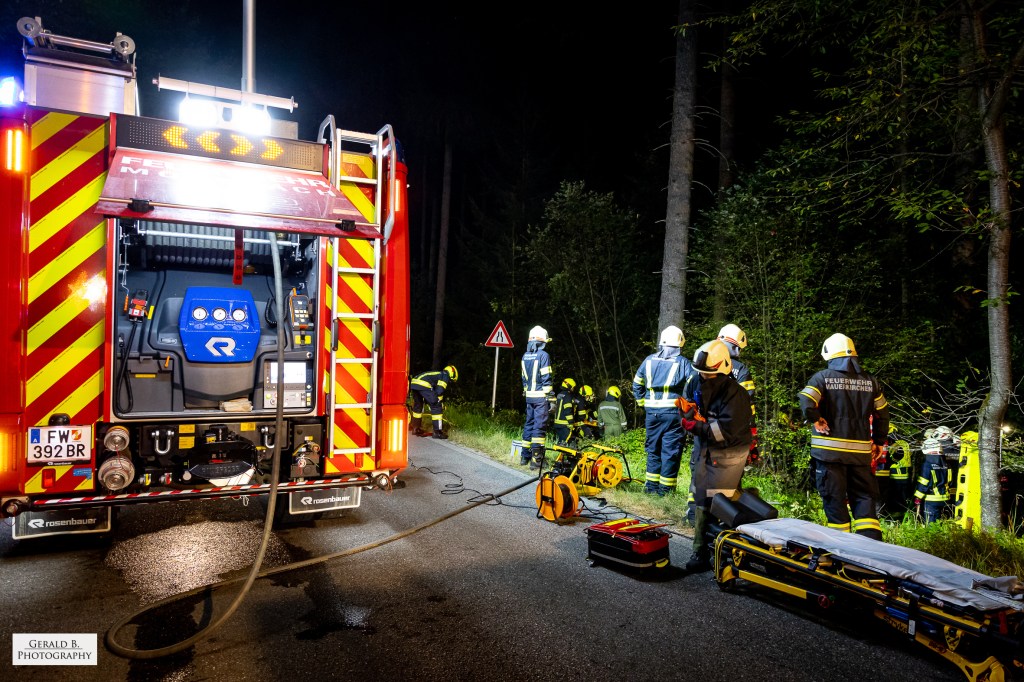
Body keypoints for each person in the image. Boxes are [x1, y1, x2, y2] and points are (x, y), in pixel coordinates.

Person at [799, 333, 889, 540]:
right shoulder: (871, 382)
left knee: (834, 499)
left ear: (829, 354)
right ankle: (872, 547)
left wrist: (816, 419)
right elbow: (883, 414)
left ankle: (841, 548)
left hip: (829, 455)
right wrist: (878, 442)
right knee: (864, 499)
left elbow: (806, 399)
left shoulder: (822, 378)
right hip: (860, 456)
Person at [681, 339, 753, 572]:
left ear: (722, 368)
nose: (704, 377)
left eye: (708, 373)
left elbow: (725, 432)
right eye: (701, 372)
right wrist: (687, 413)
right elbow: (688, 403)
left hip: (728, 453)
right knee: (703, 499)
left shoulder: (736, 394)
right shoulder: (696, 381)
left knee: (722, 502)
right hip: (705, 448)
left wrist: (696, 426)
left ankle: (730, 551)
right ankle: (702, 551)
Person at [688, 323, 758, 523]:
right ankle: (705, 517)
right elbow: (747, 408)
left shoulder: (702, 364)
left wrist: (697, 425)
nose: (738, 353)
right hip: (720, 439)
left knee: (708, 478)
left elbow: (736, 415)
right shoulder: (736, 370)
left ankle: (702, 516)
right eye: (736, 347)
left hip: (716, 438)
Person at [632, 325, 693, 496]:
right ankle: (665, 491)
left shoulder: (648, 360)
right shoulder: (683, 362)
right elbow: (694, 385)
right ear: (679, 343)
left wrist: (644, 403)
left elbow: (637, 384)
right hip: (673, 414)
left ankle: (651, 488)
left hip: (652, 414)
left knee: (653, 450)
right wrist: (688, 406)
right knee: (670, 451)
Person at [521, 326, 554, 467]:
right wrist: (551, 397)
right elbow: (546, 377)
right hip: (541, 397)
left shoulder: (525, 356)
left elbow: (524, 378)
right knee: (539, 426)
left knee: (529, 424)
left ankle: (524, 456)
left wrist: (527, 392)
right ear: (542, 341)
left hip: (529, 396)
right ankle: (537, 460)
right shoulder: (543, 355)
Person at [409, 365, 458, 439]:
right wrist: (438, 403)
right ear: (452, 374)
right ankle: (437, 432)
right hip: (423, 384)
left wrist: (436, 400)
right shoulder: (445, 375)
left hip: (414, 383)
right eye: (451, 380)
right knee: (436, 406)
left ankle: (415, 429)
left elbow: (435, 392)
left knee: (418, 406)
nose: (449, 382)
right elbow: (439, 391)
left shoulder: (438, 375)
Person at [914, 437, 950, 523]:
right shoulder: (945, 463)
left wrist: (918, 498)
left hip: (931, 499)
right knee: (941, 523)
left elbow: (923, 483)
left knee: (931, 525)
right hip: (945, 499)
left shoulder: (927, 464)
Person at [552, 378, 578, 448]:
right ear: (569, 386)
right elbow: (568, 410)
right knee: (567, 445)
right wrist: (571, 422)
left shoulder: (559, 394)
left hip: (557, 423)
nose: (573, 389)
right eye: (573, 387)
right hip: (564, 424)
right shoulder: (568, 396)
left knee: (561, 442)